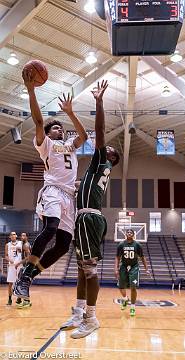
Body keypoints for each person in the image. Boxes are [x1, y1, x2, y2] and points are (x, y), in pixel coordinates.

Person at [13, 69, 87, 300]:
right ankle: (25, 276)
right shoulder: (44, 144)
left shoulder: (70, 146)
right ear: (47, 133)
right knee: (51, 227)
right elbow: (37, 120)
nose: (60, 130)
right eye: (56, 128)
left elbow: (83, 136)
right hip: (53, 191)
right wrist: (31, 90)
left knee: (64, 244)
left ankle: (29, 276)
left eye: (61, 128)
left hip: (68, 196)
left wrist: (71, 113)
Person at [61, 80, 120, 338]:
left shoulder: (100, 162)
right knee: (81, 270)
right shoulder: (94, 173)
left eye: (108, 149)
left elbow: (100, 130)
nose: (104, 146)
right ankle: (79, 312)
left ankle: (92, 317)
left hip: (89, 219)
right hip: (83, 218)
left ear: (111, 158)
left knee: (89, 268)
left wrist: (98, 101)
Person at [115, 229, 150, 316]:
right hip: (123, 267)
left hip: (134, 267)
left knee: (133, 287)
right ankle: (126, 299)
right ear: (126, 234)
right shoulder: (121, 244)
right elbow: (117, 257)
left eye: (131, 232)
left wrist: (146, 269)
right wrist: (116, 269)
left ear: (133, 234)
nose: (129, 233)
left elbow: (142, 257)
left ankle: (133, 307)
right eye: (128, 232)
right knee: (120, 287)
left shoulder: (137, 245)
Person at [5, 232, 22, 305]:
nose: (13, 235)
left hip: (19, 265)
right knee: (10, 283)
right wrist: (10, 260)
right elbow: (6, 256)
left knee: (19, 282)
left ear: (16, 236)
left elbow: (24, 253)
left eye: (14, 234)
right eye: (11, 234)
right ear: (9, 236)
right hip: (11, 266)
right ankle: (9, 299)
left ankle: (19, 298)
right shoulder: (7, 245)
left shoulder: (20, 243)